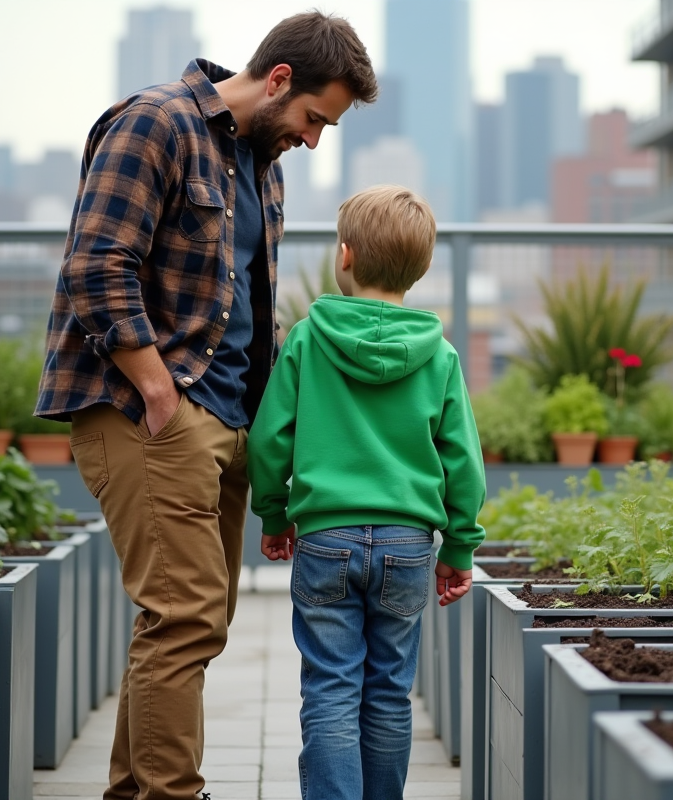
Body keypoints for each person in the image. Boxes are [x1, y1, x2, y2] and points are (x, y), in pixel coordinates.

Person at [34, 12, 377, 800]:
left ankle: (136, 791)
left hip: (226, 420)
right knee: (185, 618)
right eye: (314, 119)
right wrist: (158, 390)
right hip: (148, 412)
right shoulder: (156, 122)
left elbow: (239, 304)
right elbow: (96, 265)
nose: (314, 140)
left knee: (188, 624)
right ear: (279, 79)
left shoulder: (262, 163)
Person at [248, 185, 486, 800]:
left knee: (330, 688)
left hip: (325, 539)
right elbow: (464, 463)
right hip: (409, 546)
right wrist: (459, 547)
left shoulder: (306, 340)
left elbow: (270, 439)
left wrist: (274, 515)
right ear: (421, 266)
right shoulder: (442, 356)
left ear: (345, 256)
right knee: (388, 692)